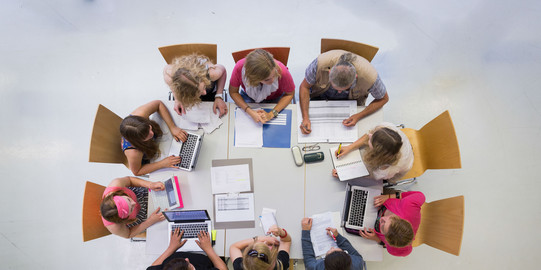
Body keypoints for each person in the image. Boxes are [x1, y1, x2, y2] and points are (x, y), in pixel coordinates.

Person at [299, 50, 389, 134]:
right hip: (320, 96)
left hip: (352, 104)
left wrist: (359, 116)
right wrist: (305, 117)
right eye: (335, 87)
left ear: (355, 77)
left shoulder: (370, 77)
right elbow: (304, 87)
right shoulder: (320, 64)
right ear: (329, 73)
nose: (338, 92)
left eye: (344, 89)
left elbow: (384, 99)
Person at [120, 100, 188, 176]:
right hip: (149, 156)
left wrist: (172, 127)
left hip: (159, 141)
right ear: (139, 140)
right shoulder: (133, 152)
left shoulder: (140, 114)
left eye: (149, 128)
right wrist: (162, 164)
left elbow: (158, 104)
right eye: (147, 136)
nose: (151, 133)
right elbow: (137, 171)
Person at [229, 49, 295, 124]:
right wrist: (249, 111)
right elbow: (233, 92)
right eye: (267, 80)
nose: (273, 80)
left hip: (275, 97)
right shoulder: (239, 68)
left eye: (274, 75)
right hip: (249, 95)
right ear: (254, 79)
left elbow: (289, 94)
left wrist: (271, 114)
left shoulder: (282, 71)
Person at [333, 122, 413, 184]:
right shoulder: (386, 128)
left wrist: (345, 174)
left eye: (371, 140)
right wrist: (350, 147)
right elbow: (369, 134)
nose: (370, 136)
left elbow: (369, 175)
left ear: (377, 153)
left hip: (401, 168)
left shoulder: (387, 171)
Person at [358, 191, 425, 257]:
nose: (381, 219)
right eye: (389, 219)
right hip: (375, 200)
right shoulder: (408, 205)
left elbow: (405, 252)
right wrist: (389, 196)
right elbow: (421, 195)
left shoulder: (400, 249)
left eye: (382, 227)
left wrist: (377, 239)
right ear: (399, 219)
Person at [100, 176, 166, 238]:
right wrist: (150, 221)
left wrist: (150, 184)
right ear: (124, 219)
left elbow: (130, 180)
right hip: (141, 218)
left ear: (119, 194)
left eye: (128, 199)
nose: (134, 203)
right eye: (131, 209)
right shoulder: (113, 227)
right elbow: (129, 234)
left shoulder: (116, 185)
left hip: (140, 194)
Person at [164, 53, 228, 117]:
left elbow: (223, 71)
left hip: (211, 91)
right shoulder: (171, 76)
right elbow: (166, 68)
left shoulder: (212, 74)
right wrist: (177, 99)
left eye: (204, 87)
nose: (204, 92)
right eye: (200, 91)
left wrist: (218, 96)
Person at [301, 218, 366, 270]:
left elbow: (309, 260)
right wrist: (337, 237)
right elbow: (355, 255)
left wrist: (305, 231)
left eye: (330, 252)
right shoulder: (357, 263)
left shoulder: (316, 267)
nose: (332, 248)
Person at [147, 229, 227, 270]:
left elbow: (152, 267)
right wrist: (209, 249)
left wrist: (171, 248)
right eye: (189, 265)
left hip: (176, 248)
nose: (187, 259)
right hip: (205, 256)